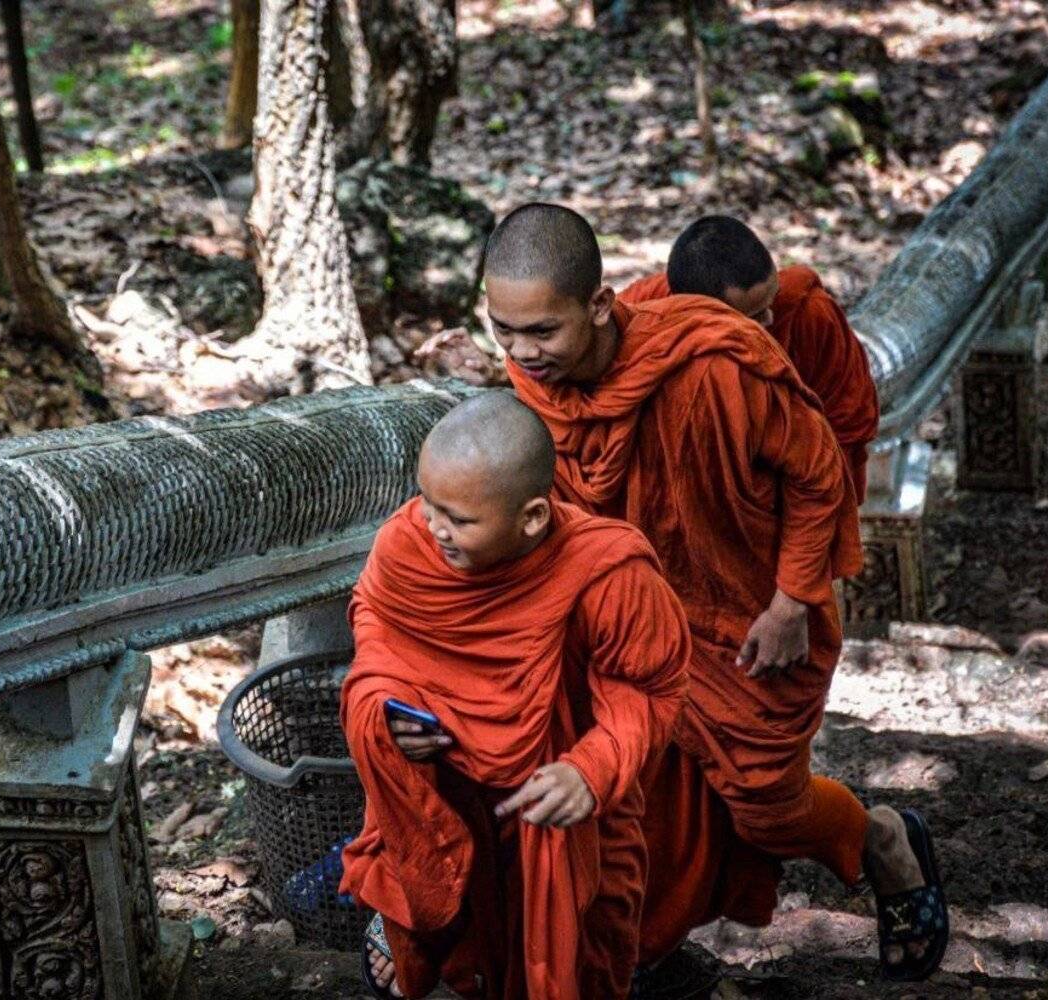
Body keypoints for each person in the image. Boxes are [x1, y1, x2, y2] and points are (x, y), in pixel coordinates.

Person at [485, 203, 948, 982]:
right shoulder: (534, 388)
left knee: (768, 801)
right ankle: (629, 954)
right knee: (636, 795)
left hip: (749, 623)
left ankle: (884, 841)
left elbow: (820, 469)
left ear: (600, 307)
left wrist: (793, 600)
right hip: (634, 629)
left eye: (543, 333)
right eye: (506, 332)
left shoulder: (717, 360)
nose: (523, 355)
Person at [339, 392, 694, 999]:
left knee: (580, 950)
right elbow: (374, 616)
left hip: (560, 799)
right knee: (460, 927)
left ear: (531, 517)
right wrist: (387, 705)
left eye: (459, 519)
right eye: (428, 501)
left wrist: (591, 770)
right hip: (450, 790)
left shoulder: (606, 572)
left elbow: (646, 688)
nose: (432, 526)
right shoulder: (408, 541)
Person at [621, 215, 880, 501]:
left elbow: (848, 421)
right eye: (754, 316)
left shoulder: (807, 315)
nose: (770, 319)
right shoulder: (642, 318)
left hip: (791, 482)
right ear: (698, 316)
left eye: (772, 299)